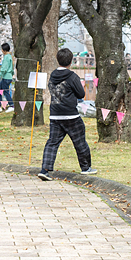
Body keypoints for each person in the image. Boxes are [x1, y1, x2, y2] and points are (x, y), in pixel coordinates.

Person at [37, 48, 96, 181]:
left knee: (52, 143)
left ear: (58, 60)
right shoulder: (72, 76)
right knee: (80, 141)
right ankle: (86, 168)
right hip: (71, 116)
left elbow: (52, 90)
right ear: (71, 61)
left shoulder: (52, 75)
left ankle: (44, 170)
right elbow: (81, 94)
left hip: (55, 115)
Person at [0, 43, 14, 113]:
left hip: (6, 77)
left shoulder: (7, 57)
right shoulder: (10, 56)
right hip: (8, 77)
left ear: (3, 50)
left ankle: (11, 105)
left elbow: (4, 68)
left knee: (5, 92)